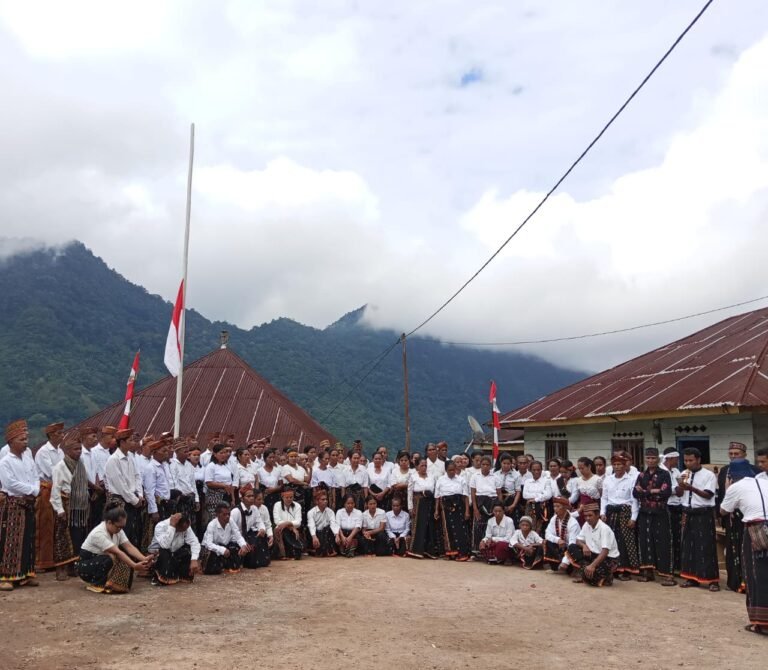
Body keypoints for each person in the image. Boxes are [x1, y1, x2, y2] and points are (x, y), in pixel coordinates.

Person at [719, 458, 768, 635]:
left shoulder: (735, 487)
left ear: (731, 476)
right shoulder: (763, 482)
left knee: (756, 576)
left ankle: (761, 622)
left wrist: (727, 488)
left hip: (756, 530)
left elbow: (724, 510)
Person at [77, 501, 152, 593]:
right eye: (119, 527)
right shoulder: (98, 533)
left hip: (99, 560)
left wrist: (144, 559)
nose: (120, 529)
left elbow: (129, 547)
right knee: (112, 557)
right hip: (87, 565)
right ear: (109, 522)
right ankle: (96, 583)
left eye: (122, 527)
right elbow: (118, 552)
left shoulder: (118, 530)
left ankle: (112, 583)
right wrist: (134, 565)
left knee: (124, 557)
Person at [0, 420, 39, 591]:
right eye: (22, 440)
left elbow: (35, 473)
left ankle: (25, 574)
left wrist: (35, 489)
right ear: (11, 442)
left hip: (29, 501)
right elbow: (10, 483)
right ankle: (6, 576)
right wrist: (31, 490)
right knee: (11, 540)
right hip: (15, 503)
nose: (26, 442)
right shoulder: (5, 461)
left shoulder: (28, 455)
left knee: (28, 538)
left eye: (26, 439)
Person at [676, 447, 720, 591]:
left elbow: (708, 495)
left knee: (706, 546)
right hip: (688, 513)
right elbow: (678, 494)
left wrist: (691, 488)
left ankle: (712, 580)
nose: (688, 463)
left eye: (691, 460)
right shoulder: (684, 474)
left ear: (698, 460)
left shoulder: (708, 475)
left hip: (703, 514)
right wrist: (680, 485)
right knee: (688, 546)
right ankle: (691, 578)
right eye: (686, 460)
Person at [717, 441, 758, 593]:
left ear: (745, 455)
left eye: (737, 454)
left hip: (748, 518)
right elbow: (721, 494)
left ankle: (749, 583)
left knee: (747, 549)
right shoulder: (724, 471)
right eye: (731, 453)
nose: (733, 456)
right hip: (730, 517)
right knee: (732, 548)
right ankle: (733, 582)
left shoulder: (755, 471)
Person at [50, 431, 90, 581]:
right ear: (67, 451)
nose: (78, 452)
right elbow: (55, 490)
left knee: (78, 536)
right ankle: (61, 568)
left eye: (80, 449)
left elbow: (84, 483)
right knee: (62, 537)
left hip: (79, 506)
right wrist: (59, 509)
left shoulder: (81, 464)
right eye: (75, 449)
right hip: (65, 504)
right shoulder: (60, 467)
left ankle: (74, 566)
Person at [633, 447, 675, 585]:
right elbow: (635, 493)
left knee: (663, 542)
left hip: (660, 513)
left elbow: (665, 493)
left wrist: (645, 492)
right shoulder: (641, 475)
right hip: (644, 513)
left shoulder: (664, 474)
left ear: (658, 459)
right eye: (648, 458)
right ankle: (647, 572)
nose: (650, 460)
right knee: (645, 542)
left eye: (653, 458)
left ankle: (667, 574)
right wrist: (651, 491)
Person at [600, 453, 640, 581]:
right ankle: (613, 569)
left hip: (625, 512)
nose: (617, 467)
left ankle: (627, 570)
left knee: (625, 541)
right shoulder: (608, 480)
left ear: (625, 466)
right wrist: (603, 513)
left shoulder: (632, 480)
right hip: (610, 513)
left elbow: (634, 500)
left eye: (620, 464)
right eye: (615, 464)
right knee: (611, 540)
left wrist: (633, 518)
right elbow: (604, 498)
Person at [103, 428, 144, 548]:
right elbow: (120, 485)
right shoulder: (113, 460)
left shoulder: (131, 457)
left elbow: (137, 476)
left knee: (133, 533)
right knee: (121, 533)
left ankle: (132, 563)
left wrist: (139, 495)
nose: (133, 443)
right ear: (122, 443)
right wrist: (134, 500)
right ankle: (120, 564)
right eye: (130, 440)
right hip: (120, 501)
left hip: (133, 499)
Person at [34, 421, 65, 571]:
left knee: (57, 526)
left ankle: (54, 558)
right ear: (51, 435)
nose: (62, 436)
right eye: (59, 433)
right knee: (45, 526)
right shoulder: (43, 452)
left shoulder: (60, 451)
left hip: (58, 490)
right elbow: (52, 472)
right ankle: (42, 561)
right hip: (46, 490)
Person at [568, 504, 620, 587]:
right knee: (572, 548)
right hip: (593, 555)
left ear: (597, 515)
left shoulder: (604, 529)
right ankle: (587, 573)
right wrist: (584, 546)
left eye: (590, 515)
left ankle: (604, 576)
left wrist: (592, 566)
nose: (587, 518)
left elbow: (605, 551)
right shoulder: (586, 524)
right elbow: (578, 540)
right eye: (585, 516)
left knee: (592, 579)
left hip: (608, 559)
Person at [148, 512, 200, 585]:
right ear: (176, 524)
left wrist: (194, 559)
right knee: (164, 553)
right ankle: (158, 574)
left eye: (186, 529)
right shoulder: (161, 526)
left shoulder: (186, 526)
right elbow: (165, 545)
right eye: (182, 529)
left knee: (187, 552)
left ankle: (179, 575)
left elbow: (194, 542)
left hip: (174, 553)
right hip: (158, 553)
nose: (184, 531)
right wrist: (172, 526)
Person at [435, 460, 471, 561]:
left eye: (453, 470)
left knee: (460, 530)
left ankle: (462, 553)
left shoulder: (461, 479)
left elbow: (465, 496)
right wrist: (436, 510)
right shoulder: (441, 480)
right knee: (448, 529)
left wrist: (467, 511)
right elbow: (437, 496)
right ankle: (451, 553)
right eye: (450, 470)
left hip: (459, 506)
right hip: (446, 507)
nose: (452, 472)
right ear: (446, 470)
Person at [201, 502, 249, 574]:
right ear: (217, 515)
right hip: (212, 549)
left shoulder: (230, 521)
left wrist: (243, 545)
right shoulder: (211, 525)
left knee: (236, 549)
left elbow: (238, 536)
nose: (227, 516)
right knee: (212, 569)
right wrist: (222, 550)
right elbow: (209, 544)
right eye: (224, 514)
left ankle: (226, 565)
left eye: (228, 514)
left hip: (226, 546)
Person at [229, 485, 268, 568]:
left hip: (246, 536)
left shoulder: (254, 508)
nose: (251, 498)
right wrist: (241, 543)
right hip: (235, 539)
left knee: (261, 537)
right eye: (248, 496)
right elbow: (230, 531)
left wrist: (262, 529)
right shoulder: (235, 512)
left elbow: (259, 522)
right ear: (242, 498)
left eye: (252, 496)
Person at [407, 459, 438, 559]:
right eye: (422, 465)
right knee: (419, 526)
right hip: (418, 503)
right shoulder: (413, 476)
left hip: (429, 503)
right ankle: (416, 550)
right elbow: (410, 492)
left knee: (429, 526)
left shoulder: (432, 476)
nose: (424, 467)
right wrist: (410, 507)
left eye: (425, 465)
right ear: (417, 466)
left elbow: (435, 491)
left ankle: (429, 550)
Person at [660, 447, 684, 574]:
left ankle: (677, 566)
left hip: (677, 506)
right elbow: (670, 490)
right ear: (670, 458)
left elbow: (681, 490)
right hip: (666, 506)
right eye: (676, 458)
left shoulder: (675, 471)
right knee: (668, 537)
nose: (678, 461)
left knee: (677, 537)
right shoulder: (661, 471)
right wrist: (677, 488)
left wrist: (678, 488)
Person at [470, 455, 500, 550]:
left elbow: (499, 493)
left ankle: (490, 549)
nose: (485, 466)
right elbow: (473, 493)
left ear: (491, 466)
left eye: (487, 464)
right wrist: (475, 508)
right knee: (478, 526)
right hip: (480, 502)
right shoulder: (475, 476)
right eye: (483, 464)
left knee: (491, 526)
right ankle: (477, 550)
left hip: (492, 502)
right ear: (480, 465)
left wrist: (500, 506)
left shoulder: (495, 477)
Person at [544, 498, 580, 573]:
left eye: (558, 506)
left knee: (569, 570)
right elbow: (547, 533)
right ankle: (555, 568)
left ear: (565, 507)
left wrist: (565, 561)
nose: (555, 509)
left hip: (571, 550)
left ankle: (570, 567)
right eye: (554, 506)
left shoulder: (573, 523)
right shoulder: (554, 519)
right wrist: (557, 540)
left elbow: (572, 544)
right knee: (547, 542)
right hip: (561, 546)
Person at [204, 444, 235, 525]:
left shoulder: (226, 466)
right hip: (215, 496)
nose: (224, 455)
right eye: (221, 453)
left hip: (226, 495)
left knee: (226, 519)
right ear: (215, 454)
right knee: (216, 520)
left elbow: (230, 483)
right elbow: (209, 482)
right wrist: (223, 485)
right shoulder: (211, 466)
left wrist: (232, 498)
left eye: (225, 453)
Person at [521, 461, 552, 535]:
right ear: (530, 470)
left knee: (540, 527)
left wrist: (536, 499)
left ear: (541, 470)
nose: (536, 472)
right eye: (534, 470)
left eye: (538, 470)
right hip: (529, 507)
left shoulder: (546, 481)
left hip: (542, 507)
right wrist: (541, 494)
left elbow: (548, 495)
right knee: (529, 525)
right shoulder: (527, 481)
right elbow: (525, 495)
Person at [272, 488, 303, 560]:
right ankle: (283, 554)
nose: (289, 499)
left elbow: (298, 522)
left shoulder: (297, 506)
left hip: (294, 529)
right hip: (282, 529)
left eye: (291, 497)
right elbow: (277, 521)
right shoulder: (277, 505)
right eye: (287, 497)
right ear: (282, 497)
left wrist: (288, 523)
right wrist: (290, 526)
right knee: (279, 529)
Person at [307, 490, 339, 557]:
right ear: (317, 501)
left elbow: (333, 524)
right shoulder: (311, 512)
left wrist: (336, 535)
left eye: (326, 499)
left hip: (326, 534)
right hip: (315, 534)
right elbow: (311, 525)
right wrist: (314, 536)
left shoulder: (330, 512)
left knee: (328, 528)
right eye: (323, 499)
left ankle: (327, 550)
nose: (325, 501)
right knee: (310, 530)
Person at [257, 449, 283, 522]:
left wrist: (274, 489)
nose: (272, 459)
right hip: (264, 496)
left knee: (275, 515)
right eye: (270, 457)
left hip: (275, 496)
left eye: (273, 457)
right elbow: (258, 484)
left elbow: (281, 485)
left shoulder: (278, 470)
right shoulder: (259, 471)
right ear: (265, 459)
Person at [495, 453, 522, 521]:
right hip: (498, 500)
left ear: (511, 464)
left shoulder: (516, 475)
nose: (506, 465)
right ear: (501, 463)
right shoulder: (495, 474)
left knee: (512, 521)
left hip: (511, 500)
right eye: (504, 463)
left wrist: (513, 505)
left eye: (508, 463)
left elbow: (518, 491)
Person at [251, 489, 273, 566]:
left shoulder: (264, 508)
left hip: (263, 534)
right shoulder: (249, 509)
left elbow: (268, 524)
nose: (262, 501)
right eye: (259, 499)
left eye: (262, 499)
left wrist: (271, 536)